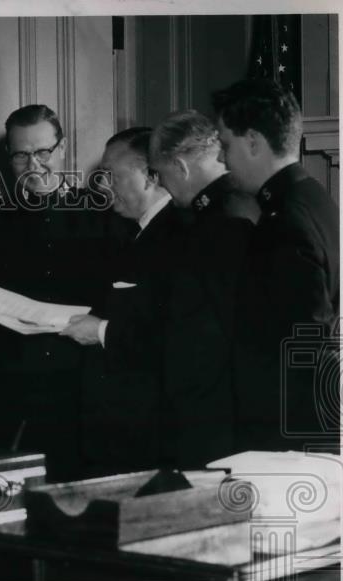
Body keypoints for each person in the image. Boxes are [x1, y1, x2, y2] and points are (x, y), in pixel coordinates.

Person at [0, 104, 123, 480]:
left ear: (63, 148)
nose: (34, 165)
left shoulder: (103, 214)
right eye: (21, 155)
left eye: (43, 152)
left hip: (83, 390)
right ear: (9, 158)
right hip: (12, 393)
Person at [212, 78, 340, 450]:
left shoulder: (284, 219)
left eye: (225, 145)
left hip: (289, 433)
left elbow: (306, 342)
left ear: (252, 141)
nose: (221, 159)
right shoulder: (314, 197)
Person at [60, 127, 184, 475]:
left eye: (111, 175)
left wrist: (101, 331)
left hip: (151, 434)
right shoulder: (133, 232)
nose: (104, 185)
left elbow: (175, 336)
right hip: (123, 428)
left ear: (150, 175)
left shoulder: (177, 236)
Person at [148, 109, 257, 468]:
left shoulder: (220, 223)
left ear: (179, 166)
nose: (161, 185)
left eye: (161, 174)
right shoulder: (239, 205)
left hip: (212, 414)